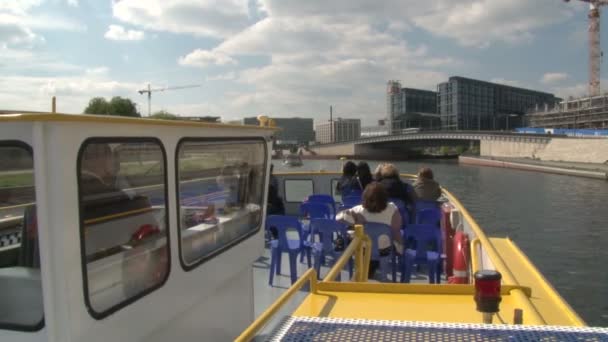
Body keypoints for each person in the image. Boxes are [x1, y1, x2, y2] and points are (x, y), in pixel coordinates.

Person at [336, 182, 403, 278]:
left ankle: (365, 271)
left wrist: (355, 221)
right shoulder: (392, 209)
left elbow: (338, 218)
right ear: (384, 197)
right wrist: (401, 249)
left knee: (354, 237)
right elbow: (396, 231)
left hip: (363, 250)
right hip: (384, 252)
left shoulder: (358, 210)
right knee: (388, 241)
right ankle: (383, 275)